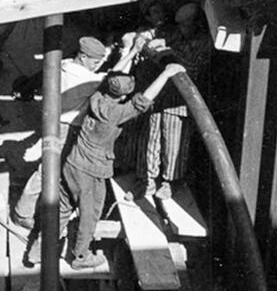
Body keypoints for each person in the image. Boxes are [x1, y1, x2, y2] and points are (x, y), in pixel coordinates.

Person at [62, 61, 185, 271]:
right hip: (91, 171)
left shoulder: (97, 97)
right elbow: (143, 101)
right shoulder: (115, 114)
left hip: (73, 161)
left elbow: (111, 79)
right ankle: (81, 256)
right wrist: (166, 73)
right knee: (90, 213)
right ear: (123, 95)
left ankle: (39, 248)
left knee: (64, 204)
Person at [12, 35, 110, 230]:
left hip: (54, 121)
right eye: (95, 62)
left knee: (52, 167)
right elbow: (110, 81)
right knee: (49, 169)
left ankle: (39, 205)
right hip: (65, 127)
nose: (97, 66)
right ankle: (22, 213)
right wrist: (132, 52)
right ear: (83, 57)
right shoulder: (83, 78)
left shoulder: (65, 64)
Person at [137, 1, 211, 203]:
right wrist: (151, 42)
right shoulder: (177, 34)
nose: (181, 29)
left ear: (196, 24)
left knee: (174, 142)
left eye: (185, 25)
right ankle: (149, 178)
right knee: (152, 137)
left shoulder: (204, 42)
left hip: (180, 101)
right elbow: (159, 38)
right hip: (162, 94)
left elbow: (193, 68)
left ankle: (171, 181)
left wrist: (170, 54)